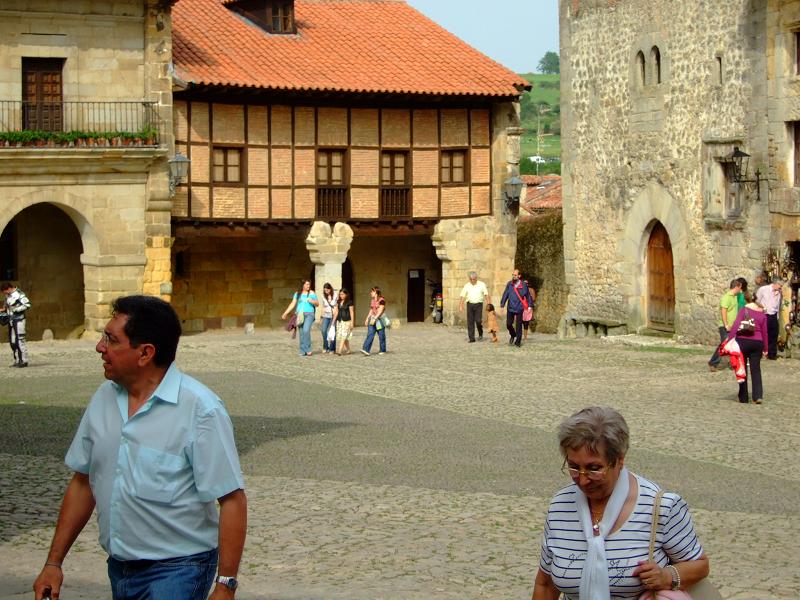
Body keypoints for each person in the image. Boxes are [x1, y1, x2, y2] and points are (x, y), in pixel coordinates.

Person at [33, 295, 247, 600]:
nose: (99, 347)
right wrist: (53, 563)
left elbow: (232, 499)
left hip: (179, 570)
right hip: (119, 569)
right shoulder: (103, 399)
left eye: (111, 339)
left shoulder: (201, 410)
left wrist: (225, 586)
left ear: (145, 353)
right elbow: (83, 482)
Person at [532, 406, 709, 600]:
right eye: (574, 467)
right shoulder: (560, 506)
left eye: (594, 468)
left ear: (619, 460)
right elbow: (546, 584)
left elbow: (700, 565)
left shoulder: (662, 507)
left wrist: (668, 576)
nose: (582, 480)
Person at [726, 301, 769, 404]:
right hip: (757, 343)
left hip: (743, 342)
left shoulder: (743, 311)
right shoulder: (762, 315)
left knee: (742, 369)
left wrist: (729, 341)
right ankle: (757, 396)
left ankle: (743, 397)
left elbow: (736, 325)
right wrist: (766, 348)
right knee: (756, 370)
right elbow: (765, 332)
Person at [707, 279, 742, 372]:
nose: (740, 290)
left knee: (733, 345)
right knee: (724, 345)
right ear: (736, 287)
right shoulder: (726, 297)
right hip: (725, 326)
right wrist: (726, 324)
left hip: (733, 326)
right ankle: (713, 362)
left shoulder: (734, 297)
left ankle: (733, 364)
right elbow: (724, 311)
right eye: (740, 287)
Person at [281, 279, 319, 356]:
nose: (308, 286)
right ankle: (302, 350)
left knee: (306, 330)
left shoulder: (312, 293)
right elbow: (292, 304)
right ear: (303, 285)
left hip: (309, 314)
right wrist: (285, 313)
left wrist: (312, 301)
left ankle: (308, 349)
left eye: (309, 284)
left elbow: (317, 304)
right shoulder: (297, 294)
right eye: (307, 284)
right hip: (299, 315)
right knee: (301, 332)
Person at [500, 269, 534, 347]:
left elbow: (528, 295)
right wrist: (502, 305)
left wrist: (530, 306)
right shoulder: (509, 284)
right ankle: (513, 334)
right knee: (508, 324)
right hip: (510, 307)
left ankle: (518, 342)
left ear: (519, 276)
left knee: (518, 325)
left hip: (519, 308)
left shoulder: (524, 285)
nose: (513, 276)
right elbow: (505, 294)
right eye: (513, 275)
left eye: (515, 275)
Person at [1, 281, 31, 367]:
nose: (5, 293)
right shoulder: (8, 296)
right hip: (11, 321)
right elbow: (6, 307)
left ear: (9, 288)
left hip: (19, 320)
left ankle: (24, 360)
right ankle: (18, 360)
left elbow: (27, 305)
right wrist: (3, 311)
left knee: (20, 340)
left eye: (5, 291)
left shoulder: (19, 294)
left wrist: (16, 310)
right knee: (13, 341)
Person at [458, 271, 490, 343]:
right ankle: (471, 338)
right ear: (469, 279)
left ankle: (480, 331)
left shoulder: (482, 284)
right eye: (471, 279)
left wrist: (489, 304)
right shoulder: (467, 285)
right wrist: (460, 305)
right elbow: (462, 296)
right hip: (470, 304)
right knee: (470, 321)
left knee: (478, 321)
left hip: (479, 304)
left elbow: (486, 294)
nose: (472, 281)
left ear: (476, 278)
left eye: (474, 279)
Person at [756, 276, 783, 360]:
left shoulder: (778, 292)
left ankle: (772, 354)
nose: (781, 287)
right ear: (775, 284)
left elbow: (778, 305)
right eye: (780, 285)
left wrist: (777, 316)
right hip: (764, 314)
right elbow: (756, 300)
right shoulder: (763, 289)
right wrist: (760, 310)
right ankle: (760, 352)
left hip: (774, 315)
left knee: (774, 335)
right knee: (762, 334)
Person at [361, 286, 386, 356]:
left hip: (379, 320)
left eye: (372, 291)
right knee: (370, 334)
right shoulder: (372, 301)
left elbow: (380, 310)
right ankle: (366, 349)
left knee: (381, 335)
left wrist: (376, 318)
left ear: (376, 292)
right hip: (372, 319)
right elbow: (371, 310)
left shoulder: (382, 300)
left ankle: (382, 349)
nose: (371, 293)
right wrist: (367, 318)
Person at [333, 288, 354, 355]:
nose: (341, 296)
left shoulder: (349, 302)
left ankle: (339, 350)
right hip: (340, 321)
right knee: (344, 336)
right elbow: (336, 312)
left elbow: (351, 312)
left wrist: (352, 322)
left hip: (347, 321)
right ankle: (348, 350)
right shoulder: (338, 302)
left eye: (342, 294)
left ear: (346, 294)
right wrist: (334, 320)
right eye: (340, 294)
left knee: (344, 335)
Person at [319, 282, 337, 354]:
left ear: (330, 289)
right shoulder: (323, 296)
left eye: (327, 290)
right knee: (323, 330)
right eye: (325, 290)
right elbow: (323, 307)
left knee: (333, 332)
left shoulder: (335, 295)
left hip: (333, 316)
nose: (326, 291)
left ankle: (332, 348)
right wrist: (321, 317)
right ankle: (325, 346)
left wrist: (335, 318)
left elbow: (336, 306)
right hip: (326, 315)